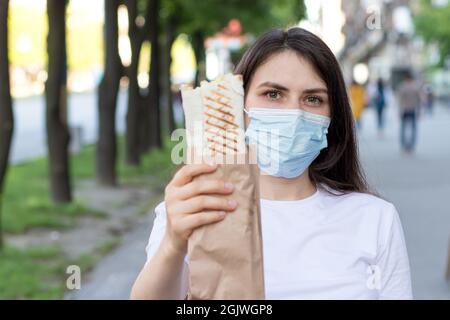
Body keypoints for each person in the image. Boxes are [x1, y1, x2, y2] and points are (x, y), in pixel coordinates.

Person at [130, 27, 412, 300]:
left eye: (313, 99)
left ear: (332, 116)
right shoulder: (197, 206)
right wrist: (173, 243)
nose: (294, 113)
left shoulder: (375, 219)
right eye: (273, 94)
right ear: (240, 105)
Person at [397, 72, 421, 154]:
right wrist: (419, 111)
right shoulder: (415, 87)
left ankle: (403, 146)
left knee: (403, 128)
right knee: (413, 129)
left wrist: (399, 111)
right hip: (413, 110)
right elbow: (419, 100)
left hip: (404, 110)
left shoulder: (402, 87)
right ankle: (411, 146)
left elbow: (400, 100)